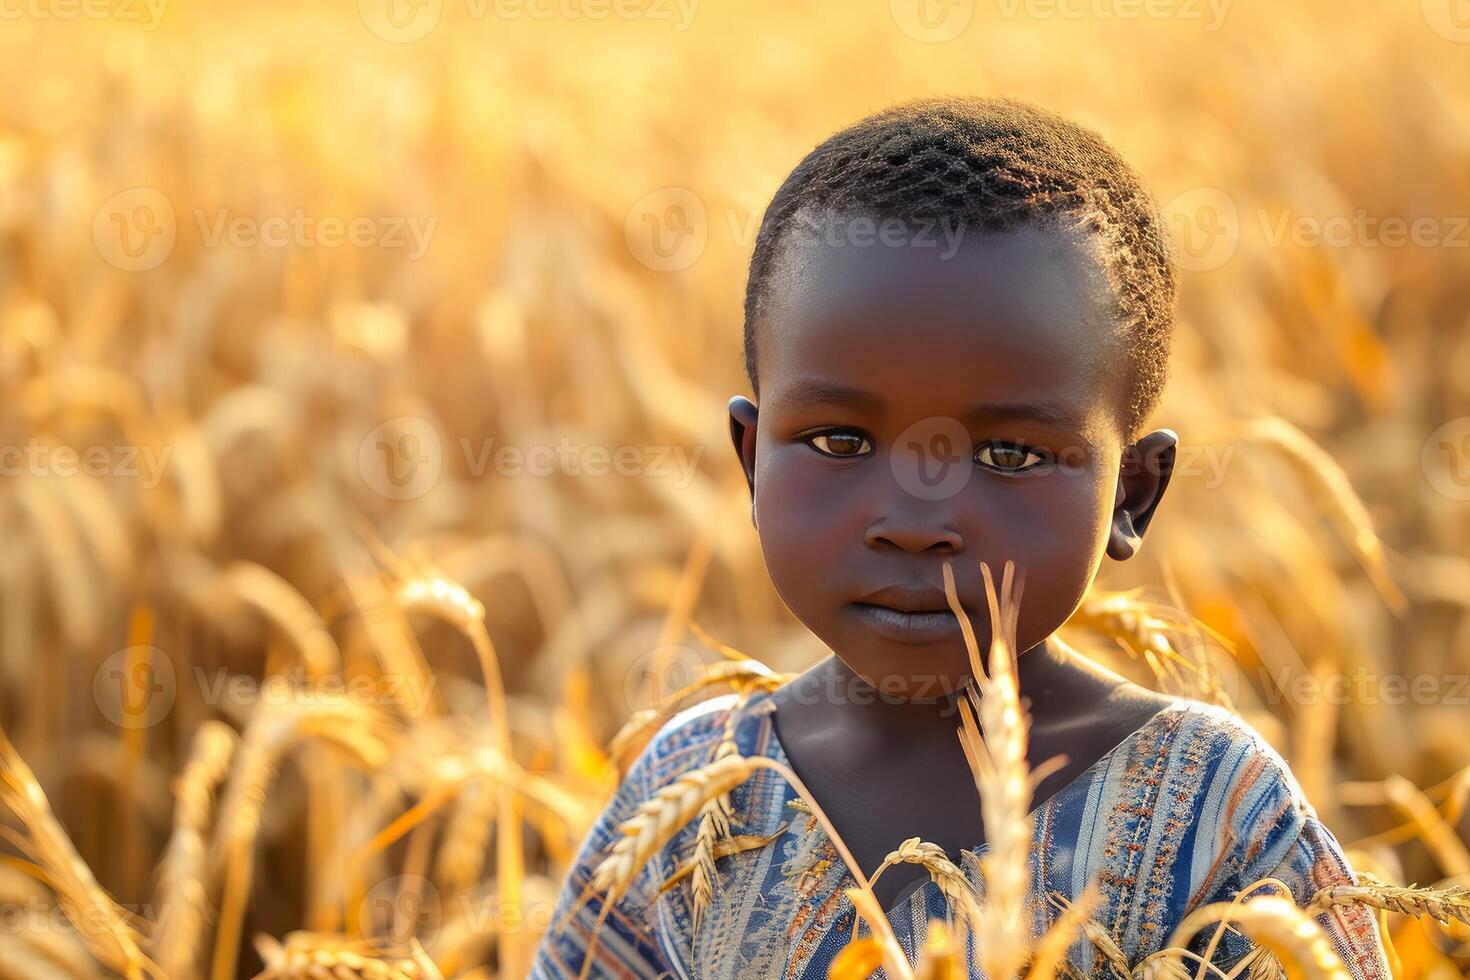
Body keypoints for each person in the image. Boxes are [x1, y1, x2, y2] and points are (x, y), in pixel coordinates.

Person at [530, 96, 1390, 978]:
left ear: (1134, 492)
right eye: (839, 441)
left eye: (1011, 452)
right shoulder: (690, 785)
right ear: (752, 464)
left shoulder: (1212, 808)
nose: (914, 522)